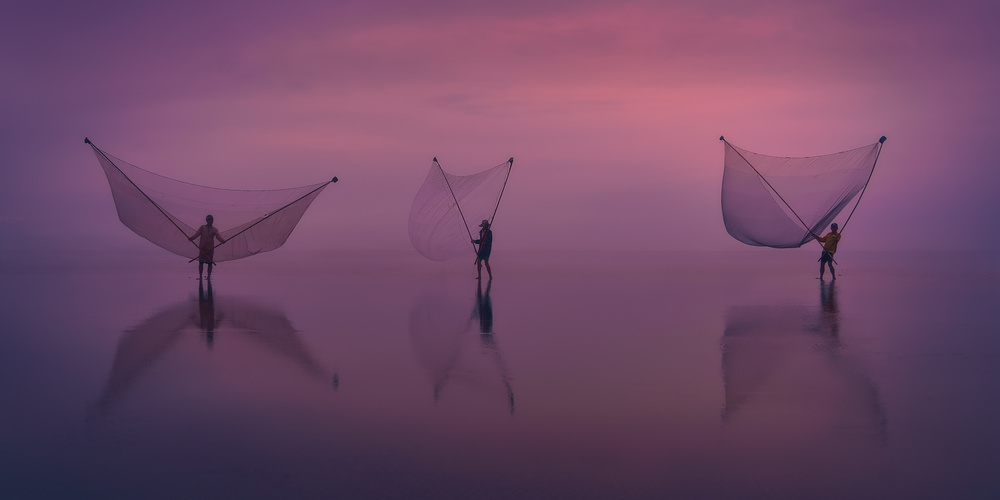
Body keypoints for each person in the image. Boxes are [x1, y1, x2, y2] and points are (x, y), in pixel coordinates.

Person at [188, 215, 226, 280]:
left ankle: (208, 276)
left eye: (211, 219)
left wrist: (222, 241)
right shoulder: (202, 228)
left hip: (210, 248)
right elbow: (196, 234)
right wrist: (192, 238)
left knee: (210, 263)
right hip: (202, 248)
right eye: (209, 219)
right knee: (201, 262)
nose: (211, 221)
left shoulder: (214, 229)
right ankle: (200, 276)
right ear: (207, 220)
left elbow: (218, 236)